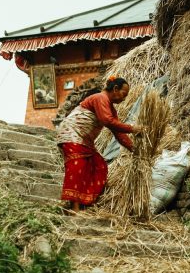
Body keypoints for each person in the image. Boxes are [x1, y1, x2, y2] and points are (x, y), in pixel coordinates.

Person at [56, 75, 143, 211]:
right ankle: (74, 208)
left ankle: (85, 202)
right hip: (71, 134)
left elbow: (118, 132)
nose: (124, 98)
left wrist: (134, 148)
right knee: (77, 166)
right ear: (115, 89)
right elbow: (108, 121)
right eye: (123, 94)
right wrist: (132, 128)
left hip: (84, 140)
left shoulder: (110, 108)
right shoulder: (100, 98)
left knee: (99, 165)